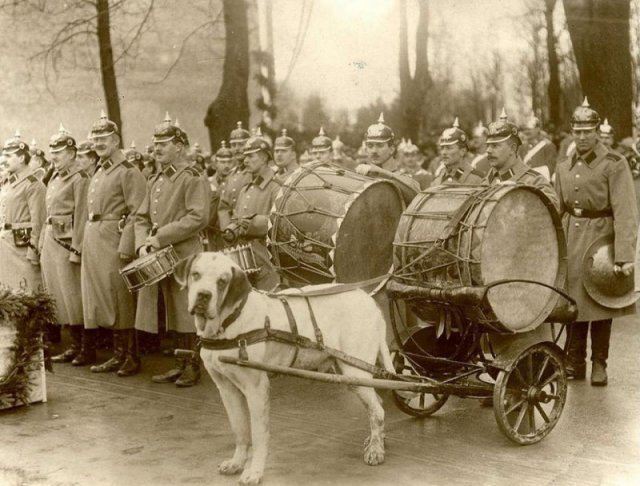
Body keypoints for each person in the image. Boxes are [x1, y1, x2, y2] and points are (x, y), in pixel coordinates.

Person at [555, 98, 638, 386]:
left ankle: (599, 363)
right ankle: (575, 359)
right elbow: (558, 207)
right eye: (577, 131)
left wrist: (625, 255)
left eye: (588, 131)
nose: (582, 137)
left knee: (602, 303)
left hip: (602, 238)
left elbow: (626, 211)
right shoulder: (564, 165)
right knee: (573, 302)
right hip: (571, 239)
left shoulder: (614, 163)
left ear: (596, 132)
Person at [134, 117, 210, 387]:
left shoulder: (191, 177)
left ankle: (192, 366)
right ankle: (179, 364)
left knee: (185, 310)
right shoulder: (155, 179)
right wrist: (143, 242)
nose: (157, 148)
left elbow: (198, 217)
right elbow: (141, 216)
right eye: (155, 143)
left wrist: (160, 237)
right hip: (160, 255)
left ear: (179, 146)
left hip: (184, 254)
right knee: (170, 311)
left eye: (164, 143)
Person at [82, 111, 147, 377]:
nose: (98, 143)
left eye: (104, 139)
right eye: (95, 139)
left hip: (114, 237)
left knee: (120, 297)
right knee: (103, 298)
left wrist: (126, 245)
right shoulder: (99, 169)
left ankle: (131, 356)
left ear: (116, 140)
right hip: (95, 235)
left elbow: (137, 211)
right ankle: (117, 354)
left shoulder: (127, 171)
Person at [40, 125, 94, 366]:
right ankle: (73, 343)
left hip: (68, 241)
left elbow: (82, 214)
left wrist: (78, 248)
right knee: (59, 293)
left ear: (72, 153)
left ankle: (86, 346)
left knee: (73, 294)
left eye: (59, 152)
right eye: (52, 152)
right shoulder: (53, 177)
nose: (54, 157)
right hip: (52, 237)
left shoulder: (79, 178)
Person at [222, 130, 281, 291]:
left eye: (251, 156)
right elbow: (236, 218)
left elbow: (282, 223)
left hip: (267, 262)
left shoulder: (277, 187)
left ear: (263, 157)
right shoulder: (245, 189)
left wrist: (254, 224)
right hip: (245, 262)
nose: (245, 160)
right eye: (245, 156)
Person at [483, 109, 559, 209]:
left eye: (495, 146)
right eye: (487, 145)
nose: (488, 150)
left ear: (513, 148)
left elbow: (551, 214)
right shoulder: (487, 180)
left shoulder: (535, 182)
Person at [0, 131, 46, 291]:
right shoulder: (7, 182)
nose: (4, 160)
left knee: (28, 293)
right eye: (3, 156)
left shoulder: (33, 184)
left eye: (8, 156)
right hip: (5, 246)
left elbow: (38, 221)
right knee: (9, 296)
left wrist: (34, 251)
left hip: (23, 249)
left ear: (21, 158)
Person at [355, 113, 420, 204]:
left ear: (391, 149)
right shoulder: (363, 175)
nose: (374, 150)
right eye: (370, 146)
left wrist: (380, 172)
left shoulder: (403, 177)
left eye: (380, 145)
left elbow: (417, 194)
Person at [218, 121, 252, 231]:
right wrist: (227, 230)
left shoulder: (253, 173)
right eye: (233, 145)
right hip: (231, 234)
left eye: (241, 144)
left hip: (248, 231)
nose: (237, 148)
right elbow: (223, 207)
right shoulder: (231, 175)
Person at [431, 118, 483, 186]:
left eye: (449, 148)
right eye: (442, 148)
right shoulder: (437, 181)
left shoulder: (477, 180)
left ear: (462, 151)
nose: (444, 152)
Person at [518, 116, 557, 180]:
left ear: (538, 129)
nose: (527, 131)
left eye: (529, 129)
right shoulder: (522, 147)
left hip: (540, 183)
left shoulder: (548, 146)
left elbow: (550, 168)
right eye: (525, 129)